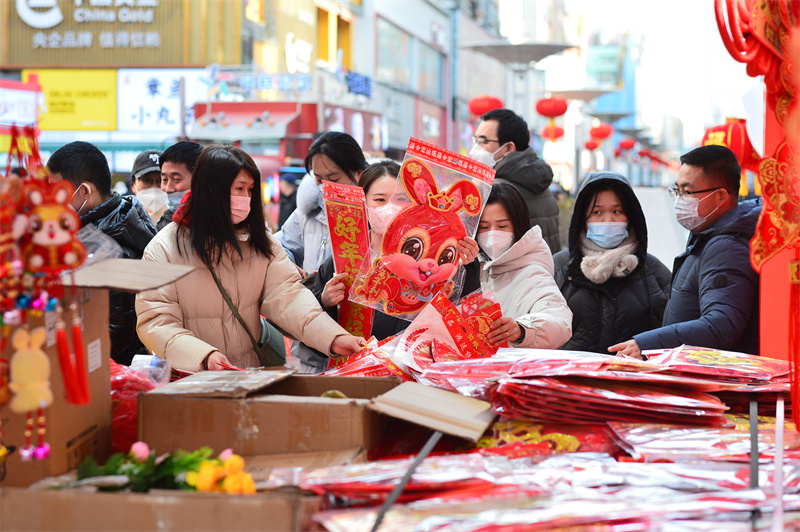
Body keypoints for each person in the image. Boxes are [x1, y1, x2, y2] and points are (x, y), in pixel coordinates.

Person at [135, 145, 364, 372]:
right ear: (212, 190)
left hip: (248, 377)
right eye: (239, 189)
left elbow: (288, 298)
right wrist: (204, 357)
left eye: (250, 189)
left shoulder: (259, 242)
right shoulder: (163, 250)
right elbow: (156, 321)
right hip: (193, 382)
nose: (245, 198)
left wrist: (333, 337)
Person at [297, 160, 481, 373]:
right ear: (363, 203)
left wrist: (467, 264)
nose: (390, 207)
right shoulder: (345, 257)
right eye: (379, 200)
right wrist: (325, 301)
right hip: (355, 373)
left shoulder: (438, 257)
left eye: (401, 199)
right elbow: (316, 335)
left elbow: (464, 313)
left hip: (417, 374)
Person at [611, 146, 761, 359]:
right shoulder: (707, 236)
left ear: (720, 197)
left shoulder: (726, 247)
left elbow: (721, 324)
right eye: (677, 191)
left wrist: (645, 344)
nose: (680, 200)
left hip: (711, 379)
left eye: (687, 192)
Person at [47, 141, 157, 365]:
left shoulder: (111, 245)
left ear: (84, 191)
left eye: (57, 193)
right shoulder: (97, 227)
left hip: (108, 370)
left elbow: (116, 332)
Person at [553, 171, 671, 354]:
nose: (608, 220)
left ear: (630, 217)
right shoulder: (559, 267)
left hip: (630, 379)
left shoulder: (653, 272)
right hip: (569, 378)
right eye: (597, 212)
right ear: (582, 218)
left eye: (617, 211)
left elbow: (671, 334)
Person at [477, 181, 572, 348]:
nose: (492, 235)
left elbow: (560, 321)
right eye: (484, 227)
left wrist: (522, 330)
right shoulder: (476, 266)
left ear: (518, 226)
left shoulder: (533, 273)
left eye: (502, 226)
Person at [275, 132, 368, 277]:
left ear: (358, 174)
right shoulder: (308, 212)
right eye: (319, 180)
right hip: (312, 298)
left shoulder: (377, 212)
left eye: (334, 179)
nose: (325, 187)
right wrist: (289, 266)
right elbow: (281, 247)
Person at [469, 109, 561, 252]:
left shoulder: (497, 190)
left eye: (483, 141)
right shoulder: (540, 183)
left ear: (508, 148)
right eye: (475, 141)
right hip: (545, 269)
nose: (475, 148)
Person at [157, 140, 203, 231]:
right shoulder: (163, 225)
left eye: (176, 179)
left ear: (199, 179)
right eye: (164, 180)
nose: (168, 189)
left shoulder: (218, 224)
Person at [129, 149, 166, 225]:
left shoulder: (182, 222)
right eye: (146, 180)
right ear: (133, 186)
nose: (154, 187)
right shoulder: (123, 222)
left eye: (161, 180)